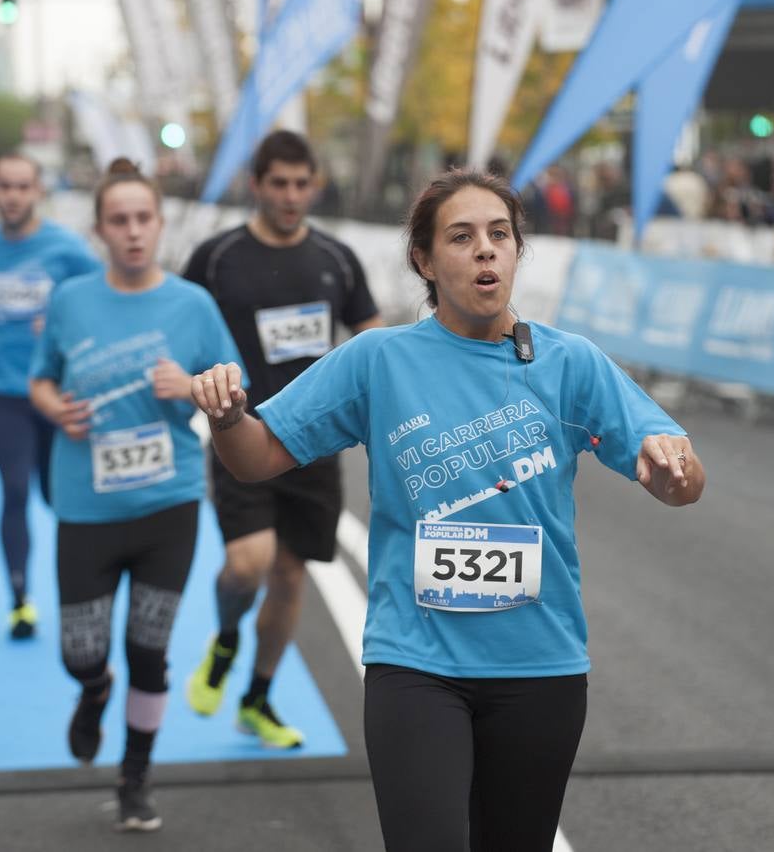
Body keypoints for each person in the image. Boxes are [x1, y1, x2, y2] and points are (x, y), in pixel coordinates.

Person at [191, 169, 705, 851]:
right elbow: (255, 458)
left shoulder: (569, 363)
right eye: (461, 238)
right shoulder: (380, 360)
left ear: (520, 252)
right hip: (417, 665)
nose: (485, 250)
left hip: (539, 666)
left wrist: (674, 471)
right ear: (425, 261)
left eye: (499, 235)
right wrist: (228, 417)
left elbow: (679, 477)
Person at [29, 159, 242, 831]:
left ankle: (134, 778)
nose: (132, 232)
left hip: (168, 505)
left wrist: (195, 387)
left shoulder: (192, 304)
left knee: (149, 648)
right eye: (118, 221)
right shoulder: (69, 301)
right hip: (86, 506)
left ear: (158, 223)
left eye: (143, 218)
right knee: (81, 651)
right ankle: (94, 691)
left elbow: (231, 385)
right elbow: (40, 380)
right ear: (98, 230)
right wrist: (55, 409)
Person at [180, 130, 382, 748]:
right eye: (280, 184)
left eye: (302, 184)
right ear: (257, 184)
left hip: (315, 444)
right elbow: (181, 326)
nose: (292, 196)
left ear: (314, 184)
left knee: (291, 577)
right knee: (249, 565)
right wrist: (193, 383)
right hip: (244, 434)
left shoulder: (337, 258)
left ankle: (257, 698)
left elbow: (371, 334)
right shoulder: (216, 259)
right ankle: (225, 638)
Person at [0, 151, 101, 639]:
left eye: (23, 186)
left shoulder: (67, 248)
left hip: (57, 393)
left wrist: (65, 323)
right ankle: (19, 599)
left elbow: (99, 305)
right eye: (4, 186)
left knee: (59, 497)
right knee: (15, 489)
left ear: (39, 191)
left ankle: (77, 594)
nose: (13, 195)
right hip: (2, 392)